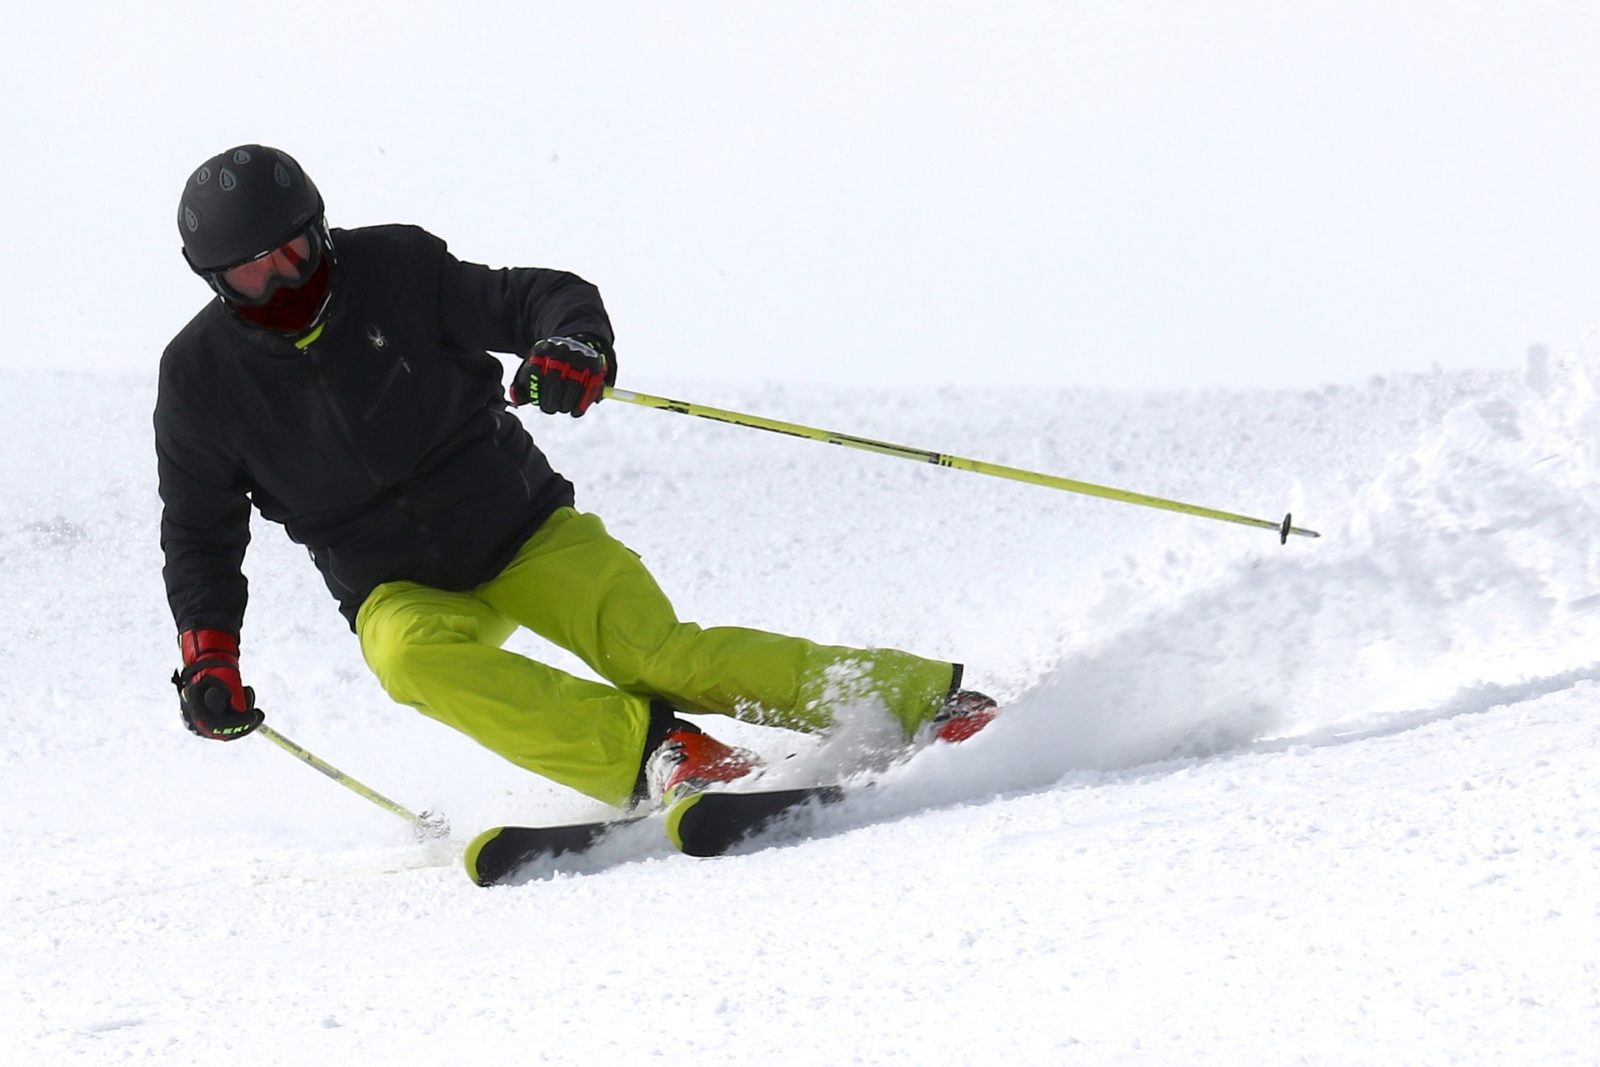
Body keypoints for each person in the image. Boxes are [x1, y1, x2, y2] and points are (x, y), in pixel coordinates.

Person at [158, 144, 996, 811]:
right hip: (392, 581)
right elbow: (200, 531)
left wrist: (572, 345)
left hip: (520, 530)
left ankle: (917, 701)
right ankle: (660, 752)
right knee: (408, 658)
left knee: (657, 653)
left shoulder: (396, 270)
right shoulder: (200, 378)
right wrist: (209, 655)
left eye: (294, 250)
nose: (282, 278)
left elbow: (540, 298)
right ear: (216, 280)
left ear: (320, 228)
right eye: (251, 270)